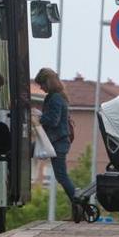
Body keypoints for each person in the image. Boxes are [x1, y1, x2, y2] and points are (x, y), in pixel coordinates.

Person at [34, 67, 77, 203]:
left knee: (61, 176)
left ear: (48, 82)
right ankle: (78, 204)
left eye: (41, 84)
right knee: (61, 176)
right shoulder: (55, 97)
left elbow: (53, 120)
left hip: (57, 142)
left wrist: (38, 119)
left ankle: (78, 203)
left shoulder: (55, 98)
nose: (41, 88)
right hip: (55, 141)